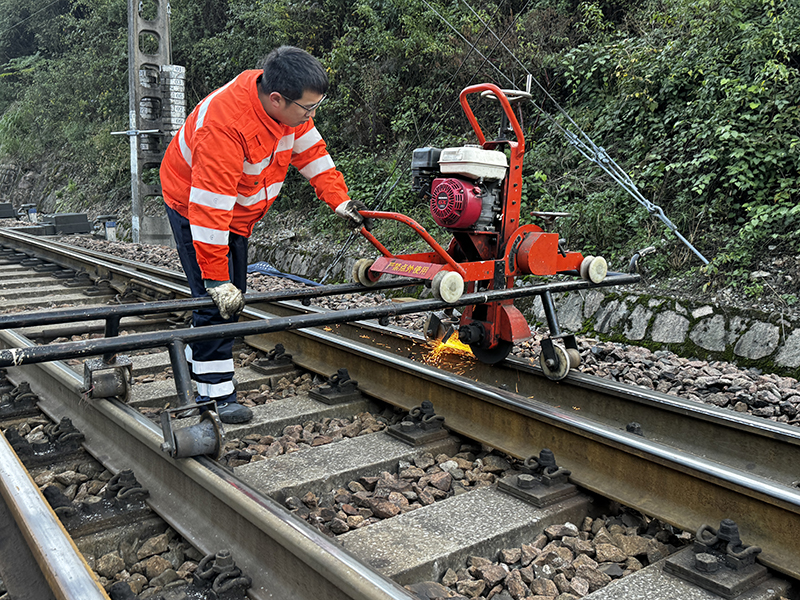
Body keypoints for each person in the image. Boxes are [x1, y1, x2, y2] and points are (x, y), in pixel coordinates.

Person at [160, 46, 367, 423]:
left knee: (230, 296)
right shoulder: (224, 127)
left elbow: (312, 154)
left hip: (236, 214)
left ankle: (195, 364)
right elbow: (209, 212)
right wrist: (217, 279)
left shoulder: (289, 110)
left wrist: (339, 200)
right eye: (308, 108)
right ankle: (215, 398)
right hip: (193, 206)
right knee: (215, 302)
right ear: (276, 99)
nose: (312, 115)